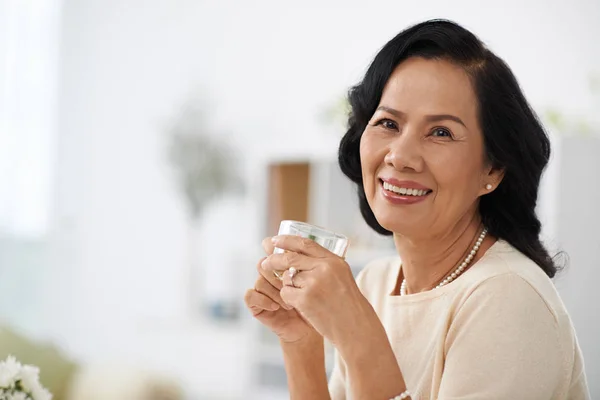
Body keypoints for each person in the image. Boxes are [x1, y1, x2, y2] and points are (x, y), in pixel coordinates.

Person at [244, 19, 590, 400]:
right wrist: (302, 342)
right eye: (388, 123)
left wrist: (359, 337)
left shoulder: (510, 299)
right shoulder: (376, 282)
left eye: (440, 132)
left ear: (491, 169)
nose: (400, 156)